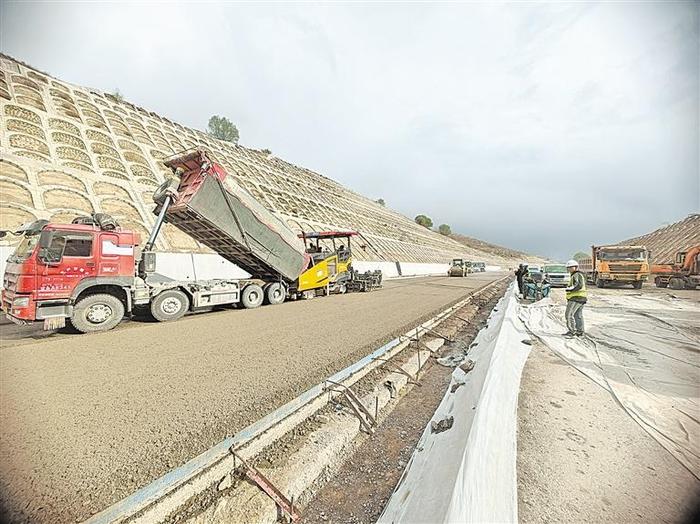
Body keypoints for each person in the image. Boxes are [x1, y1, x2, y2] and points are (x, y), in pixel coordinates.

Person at [563, 259, 587, 338]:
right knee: (578, 315)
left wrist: (569, 289)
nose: (568, 269)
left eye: (570, 267)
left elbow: (578, 285)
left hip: (576, 298)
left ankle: (572, 332)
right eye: (568, 267)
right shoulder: (579, 275)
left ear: (575, 267)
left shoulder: (576, 275)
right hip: (581, 298)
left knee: (569, 315)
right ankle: (580, 332)